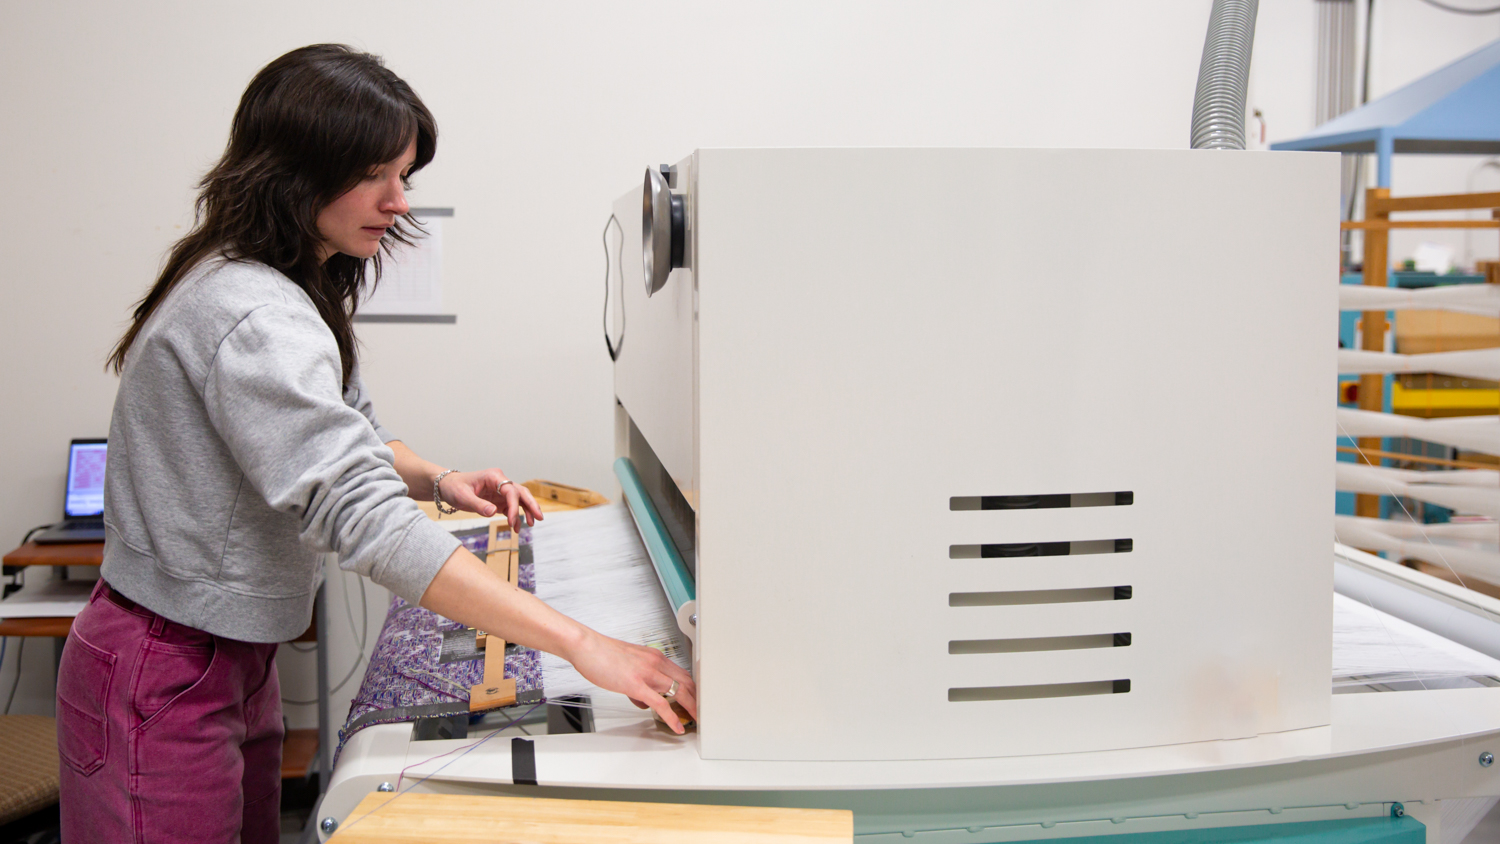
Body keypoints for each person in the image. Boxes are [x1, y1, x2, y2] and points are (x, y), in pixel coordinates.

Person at [56, 43, 696, 843]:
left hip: (226, 659)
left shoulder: (282, 283)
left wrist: (440, 480)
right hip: (169, 665)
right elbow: (359, 514)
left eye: (406, 176)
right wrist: (582, 645)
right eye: (374, 174)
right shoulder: (255, 314)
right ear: (295, 171)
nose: (398, 202)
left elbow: (346, 429)